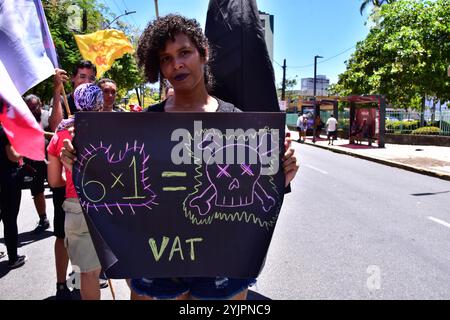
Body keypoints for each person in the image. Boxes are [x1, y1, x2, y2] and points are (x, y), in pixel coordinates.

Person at [60, 14, 298, 300]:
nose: (176, 64)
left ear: (204, 53)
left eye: (184, 52)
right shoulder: (144, 124)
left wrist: (282, 171)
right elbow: (117, 187)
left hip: (222, 267)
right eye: (165, 58)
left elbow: (260, 190)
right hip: (156, 262)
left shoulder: (236, 122)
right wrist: (78, 159)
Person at [47, 83, 104, 300]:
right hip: (114, 205)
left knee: (87, 274)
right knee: (129, 269)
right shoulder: (114, 129)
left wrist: (71, 172)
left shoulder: (61, 134)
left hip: (77, 205)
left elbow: (55, 181)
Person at [0, 124, 27, 269]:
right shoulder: (4, 130)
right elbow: (13, 156)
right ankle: (13, 258)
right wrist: (23, 150)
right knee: (9, 219)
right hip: (7, 179)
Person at [23, 94, 51, 233]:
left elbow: (58, 133)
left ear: (40, 104)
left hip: (51, 160)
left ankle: (62, 218)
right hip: (33, 161)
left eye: (35, 107)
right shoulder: (23, 119)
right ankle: (43, 219)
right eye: (29, 108)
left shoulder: (48, 115)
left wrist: (44, 133)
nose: (33, 110)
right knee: (37, 191)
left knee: (58, 190)